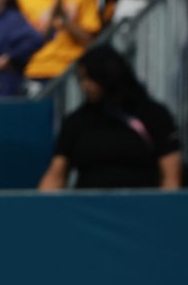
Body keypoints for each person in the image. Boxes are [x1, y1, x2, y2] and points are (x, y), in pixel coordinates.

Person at [38, 46, 181, 189]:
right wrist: (40, 207)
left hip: (142, 208)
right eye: (81, 79)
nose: (84, 85)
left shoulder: (154, 115)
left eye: (90, 78)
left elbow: (171, 177)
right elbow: (56, 174)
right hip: (86, 208)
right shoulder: (76, 121)